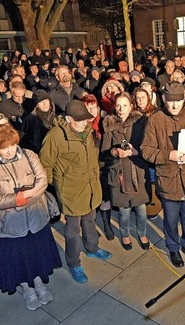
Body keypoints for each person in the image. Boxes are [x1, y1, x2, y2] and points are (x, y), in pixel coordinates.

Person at [0, 124, 61, 310]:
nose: (9, 151)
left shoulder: (29, 156)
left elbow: (42, 181)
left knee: (35, 255)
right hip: (8, 225)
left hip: (36, 219)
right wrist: (16, 200)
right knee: (17, 260)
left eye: (12, 145)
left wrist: (25, 201)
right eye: (4, 147)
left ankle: (39, 284)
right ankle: (27, 289)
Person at [40, 100, 112, 284]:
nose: (83, 123)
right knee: (72, 231)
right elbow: (45, 164)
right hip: (71, 191)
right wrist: (58, 183)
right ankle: (73, 263)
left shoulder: (86, 131)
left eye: (85, 119)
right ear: (68, 118)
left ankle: (92, 247)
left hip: (90, 187)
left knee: (89, 220)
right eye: (78, 120)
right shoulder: (55, 136)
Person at [141, 82, 185, 268]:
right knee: (171, 220)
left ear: (184, 100)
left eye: (178, 101)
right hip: (168, 180)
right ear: (163, 99)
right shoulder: (155, 120)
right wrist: (168, 155)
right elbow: (146, 150)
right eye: (170, 101)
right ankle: (173, 247)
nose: (174, 105)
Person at [101, 93, 150, 251]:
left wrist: (135, 152)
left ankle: (142, 233)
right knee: (124, 211)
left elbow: (148, 147)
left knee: (141, 209)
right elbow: (103, 153)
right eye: (118, 105)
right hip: (119, 172)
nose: (121, 109)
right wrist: (115, 152)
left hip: (137, 171)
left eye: (124, 105)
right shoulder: (109, 125)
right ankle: (125, 235)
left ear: (131, 106)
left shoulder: (141, 122)